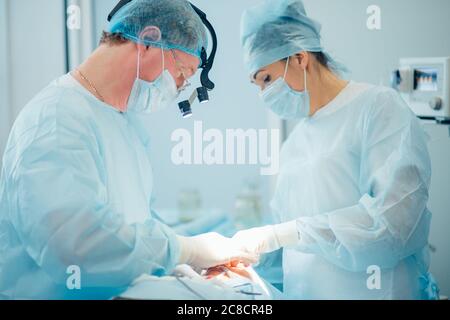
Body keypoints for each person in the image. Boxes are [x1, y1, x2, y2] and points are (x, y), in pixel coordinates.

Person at [0, 0, 255, 300]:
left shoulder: (125, 127)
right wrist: (184, 251)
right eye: (182, 74)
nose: (178, 89)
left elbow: (134, 226)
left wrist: (182, 256)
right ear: (148, 41)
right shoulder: (55, 119)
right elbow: (75, 247)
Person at [233, 0, 440, 300]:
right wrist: (248, 257)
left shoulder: (377, 108)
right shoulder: (295, 144)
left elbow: (394, 226)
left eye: (266, 78)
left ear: (300, 57)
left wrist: (285, 233)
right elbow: (291, 250)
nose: (264, 93)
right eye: (257, 85)